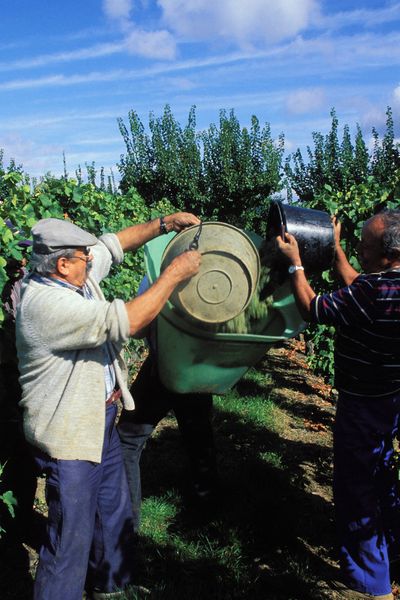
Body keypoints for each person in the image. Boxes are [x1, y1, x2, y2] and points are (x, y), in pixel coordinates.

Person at [15, 213, 201, 600]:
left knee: (113, 516)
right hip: (69, 436)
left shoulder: (71, 275)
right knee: (70, 540)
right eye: (83, 256)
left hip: (100, 420)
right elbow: (130, 321)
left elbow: (113, 245)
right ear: (62, 263)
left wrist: (164, 224)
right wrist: (173, 275)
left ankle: (110, 586)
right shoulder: (48, 305)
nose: (91, 258)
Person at [276, 210, 400, 600]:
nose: (359, 252)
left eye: (364, 246)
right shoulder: (384, 286)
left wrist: (296, 263)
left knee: (356, 489)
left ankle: (370, 581)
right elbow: (357, 282)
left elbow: (312, 307)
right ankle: (392, 554)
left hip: (363, 405)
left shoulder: (371, 294)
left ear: (387, 254)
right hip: (391, 403)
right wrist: (335, 247)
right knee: (384, 478)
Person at [118, 278, 217, 533]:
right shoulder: (224, 264)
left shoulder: (159, 265)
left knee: (128, 439)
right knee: (199, 440)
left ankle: (127, 522)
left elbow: (139, 327)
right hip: (200, 368)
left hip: (162, 365)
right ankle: (202, 511)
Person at [0, 226, 37, 551]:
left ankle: (22, 515)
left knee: (23, 449)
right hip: (10, 376)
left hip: (23, 377)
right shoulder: (9, 283)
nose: (19, 258)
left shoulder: (30, 283)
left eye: (23, 251)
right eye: (15, 251)